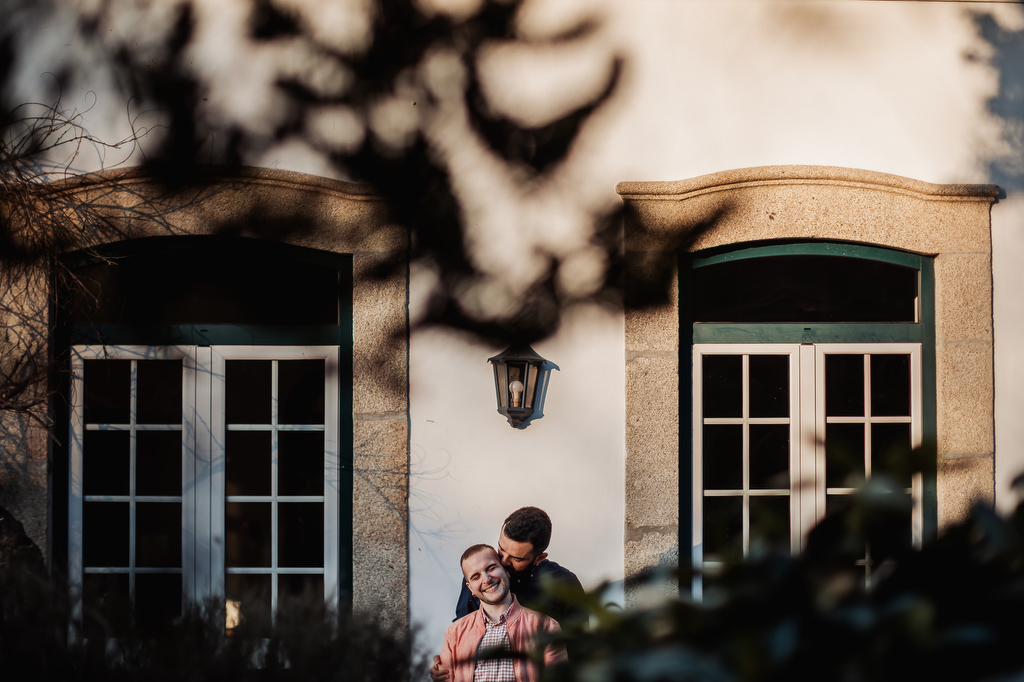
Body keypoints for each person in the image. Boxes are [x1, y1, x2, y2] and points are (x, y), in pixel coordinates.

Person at [433, 544, 566, 682]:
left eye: (491, 568)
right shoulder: (454, 633)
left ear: (506, 572)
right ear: (470, 588)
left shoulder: (546, 627)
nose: (486, 579)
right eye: (476, 577)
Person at [455, 507, 584, 625]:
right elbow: (461, 627)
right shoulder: (481, 576)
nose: (504, 561)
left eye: (516, 558)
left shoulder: (565, 584)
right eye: (501, 549)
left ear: (539, 558)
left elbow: (579, 639)